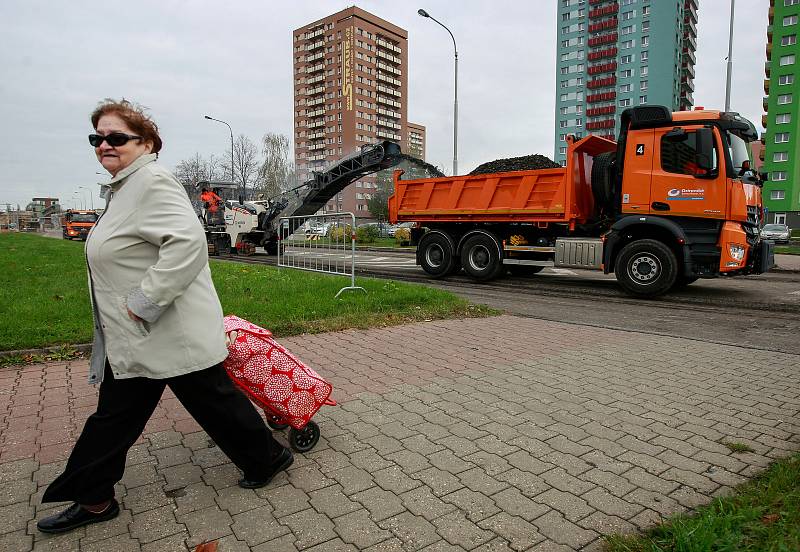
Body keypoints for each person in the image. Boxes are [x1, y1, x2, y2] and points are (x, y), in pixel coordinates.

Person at [36, 99, 292, 534]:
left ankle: (95, 496)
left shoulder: (152, 182)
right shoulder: (124, 188)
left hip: (162, 328)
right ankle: (96, 496)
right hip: (145, 334)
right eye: (97, 138)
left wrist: (142, 303)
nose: (104, 145)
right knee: (197, 406)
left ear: (147, 143)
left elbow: (187, 244)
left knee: (190, 407)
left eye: (116, 137)